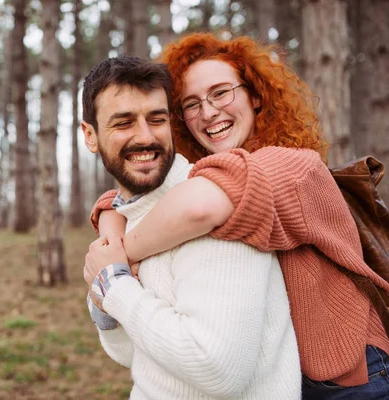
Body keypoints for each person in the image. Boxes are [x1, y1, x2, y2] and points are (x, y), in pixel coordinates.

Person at [90, 33, 389, 398]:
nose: (209, 111)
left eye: (221, 93)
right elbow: (123, 200)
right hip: (291, 376)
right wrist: (110, 217)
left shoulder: (293, 165)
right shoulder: (210, 174)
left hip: (350, 376)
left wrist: (117, 262)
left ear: (256, 96)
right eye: (191, 103)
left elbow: (197, 207)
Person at [81, 55, 301, 399]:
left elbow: (218, 370)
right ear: (90, 136)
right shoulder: (126, 219)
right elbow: (127, 352)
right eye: (123, 122)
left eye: (156, 119)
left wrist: (113, 286)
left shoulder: (220, 206)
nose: (144, 137)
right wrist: (106, 296)